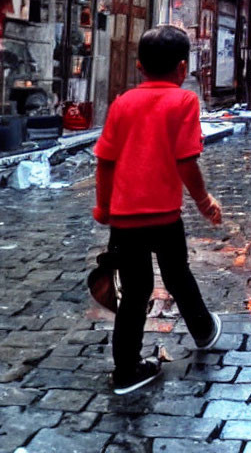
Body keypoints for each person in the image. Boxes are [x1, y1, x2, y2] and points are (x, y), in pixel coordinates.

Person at [93, 25, 223, 395]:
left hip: (124, 218)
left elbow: (104, 161)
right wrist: (203, 200)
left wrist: (103, 206)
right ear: (183, 68)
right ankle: (203, 329)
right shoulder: (184, 102)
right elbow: (186, 162)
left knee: (134, 291)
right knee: (178, 274)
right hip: (164, 216)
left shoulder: (122, 103)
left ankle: (126, 368)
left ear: (138, 65)